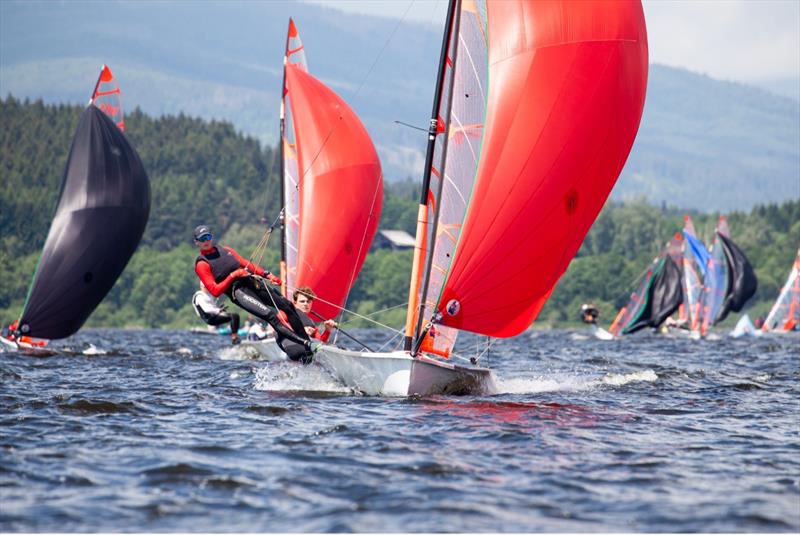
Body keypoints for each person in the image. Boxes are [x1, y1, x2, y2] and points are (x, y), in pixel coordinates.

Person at [192, 224, 315, 359]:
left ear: (212, 237)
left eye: (208, 237)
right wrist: (233, 276)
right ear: (197, 242)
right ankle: (304, 343)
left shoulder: (225, 250)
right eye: (202, 239)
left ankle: (306, 342)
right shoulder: (202, 264)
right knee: (270, 316)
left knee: (288, 306)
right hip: (238, 292)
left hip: (251, 282)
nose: (206, 241)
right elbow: (215, 291)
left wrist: (267, 275)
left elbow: (245, 264)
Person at [277, 287, 337, 362]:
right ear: (295, 303)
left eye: (308, 301)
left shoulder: (310, 322)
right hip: (292, 348)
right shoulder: (286, 312)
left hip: (304, 352)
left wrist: (327, 330)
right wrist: (300, 330)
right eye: (302, 301)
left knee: (324, 348)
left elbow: (320, 341)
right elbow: (277, 324)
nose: (306, 304)